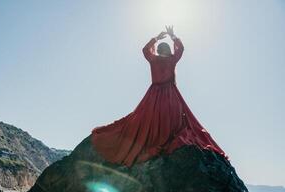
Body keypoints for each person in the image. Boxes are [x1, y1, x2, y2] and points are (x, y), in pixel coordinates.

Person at [91, 26, 228, 167]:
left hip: (154, 94)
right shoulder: (172, 59)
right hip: (170, 94)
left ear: (157, 50)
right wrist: (172, 36)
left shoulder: (153, 59)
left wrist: (156, 38)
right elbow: (181, 49)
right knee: (174, 119)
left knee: (144, 120)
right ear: (168, 50)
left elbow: (145, 50)